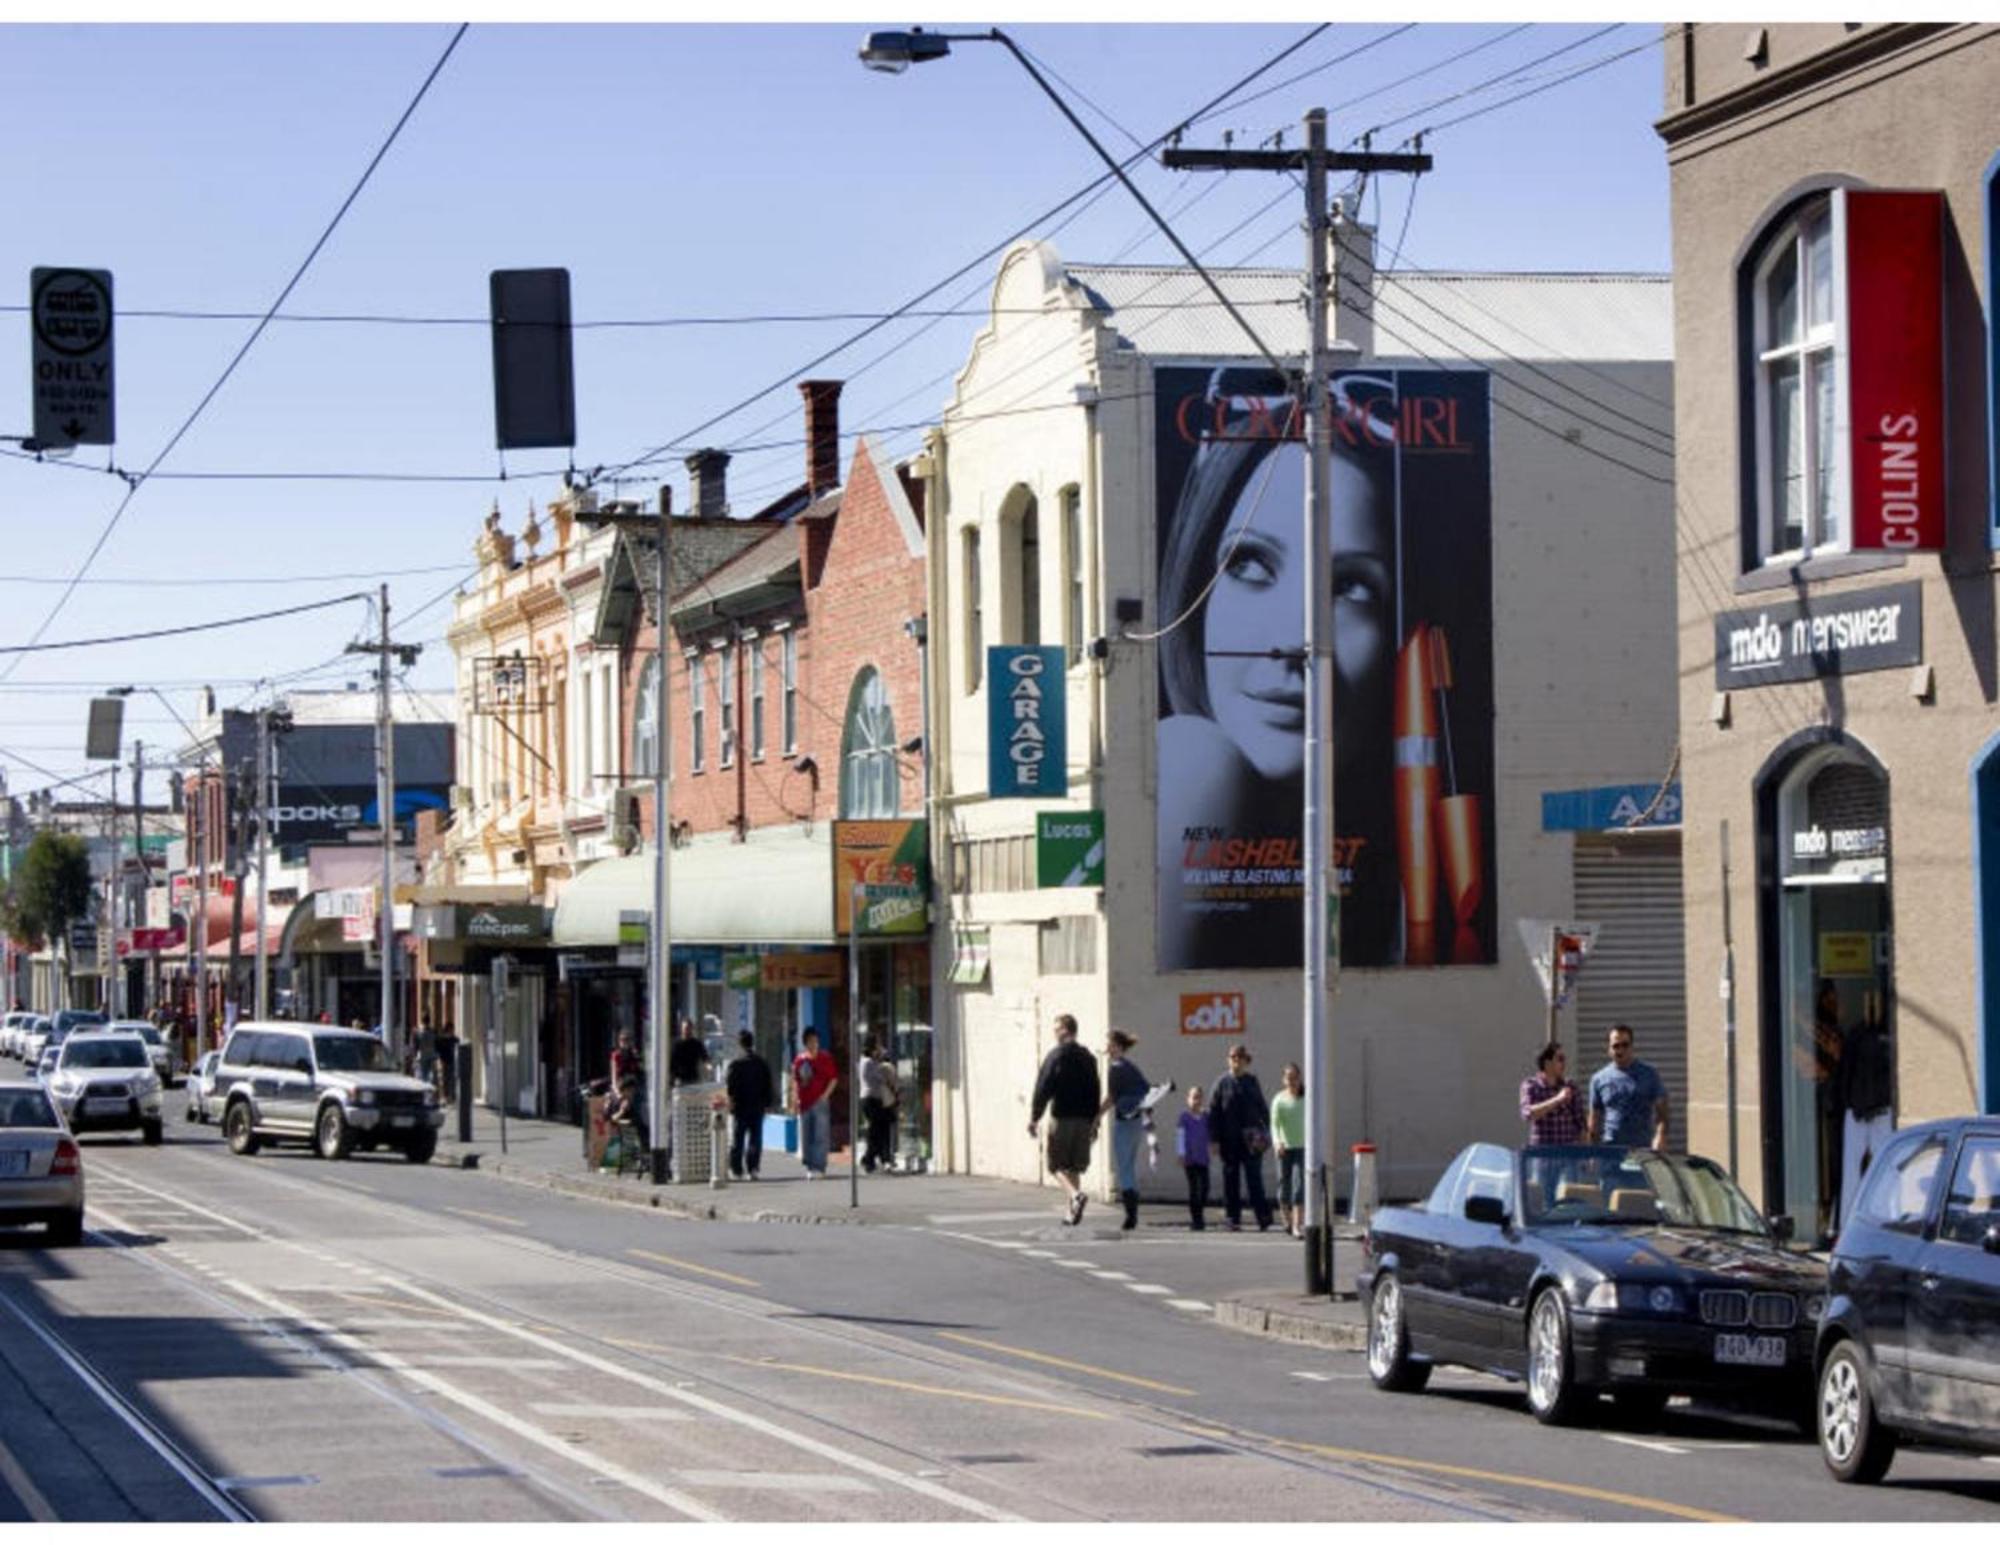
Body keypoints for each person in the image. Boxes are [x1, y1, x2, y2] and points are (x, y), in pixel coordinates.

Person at [1156, 370, 1415, 971]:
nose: (1294, 641)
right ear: (1197, 586)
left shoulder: (1399, 875)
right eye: (1250, 565)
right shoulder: (1194, 760)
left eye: (1350, 586)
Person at [1028, 1013, 1101, 1225]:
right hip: (1084, 1120)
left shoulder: (1056, 1056)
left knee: (1056, 1165)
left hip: (1062, 1118)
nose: (1054, 1033)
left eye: (1056, 1029)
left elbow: (1044, 1087)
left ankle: (1075, 1196)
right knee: (1074, 1167)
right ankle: (1072, 1212)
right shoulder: (1088, 1058)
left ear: (1064, 1031)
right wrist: (1094, 1120)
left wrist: (1035, 1117)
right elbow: (1095, 1090)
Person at [1208, 1043, 1274, 1231]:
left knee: (1254, 1180)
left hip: (1252, 1139)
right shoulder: (1221, 1083)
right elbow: (1214, 1113)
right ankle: (1232, 1218)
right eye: (1233, 1057)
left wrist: (1268, 1132)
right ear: (1228, 1060)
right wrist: (1214, 1139)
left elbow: (1262, 1108)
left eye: (1240, 1058)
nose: (1236, 1061)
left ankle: (1263, 1217)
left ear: (1246, 1061)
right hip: (1229, 1140)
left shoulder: (1252, 1081)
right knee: (1231, 1181)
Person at [1587, 1023, 1670, 1150]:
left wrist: (1660, 1136)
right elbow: (1594, 1119)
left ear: (1632, 1047)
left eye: (1625, 1045)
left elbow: (1662, 1112)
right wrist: (1592, 1152)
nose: (1620, 1050)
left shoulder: (1649, 1074)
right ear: (1609, 1049)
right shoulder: (1598, 1079)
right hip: (1611, 1150)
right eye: (1616, 1046)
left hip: (1642, 1149)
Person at [1099, 1030, 1151, 1231]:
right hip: (1136, 1121)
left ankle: (1131, 1216)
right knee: (1129, 1165)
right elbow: (1146, 1089)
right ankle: (1132, 1213)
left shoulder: (1116, 1068)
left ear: (1118, 1047)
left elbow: (1111, 1097)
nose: (1108, 1048)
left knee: (1124, 1168)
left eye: (1110, 1044)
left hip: (1123, 1120)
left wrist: (1097, 1116)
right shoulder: (1131, 1067)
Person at [725, 1029, 773, 1180]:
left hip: (740, 1107)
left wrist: (731, 1102)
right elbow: (768, 1085)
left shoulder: (736, 1064)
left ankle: (736, 1169)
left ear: (740, 1044)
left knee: (738, 1139)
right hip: (757, 1106)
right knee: (755, 1139)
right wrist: (767, 1103)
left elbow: (730, 1086)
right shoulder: (761, 1063)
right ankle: (753, 1168)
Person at [791, 1028, 838, 1178]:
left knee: (820, 1134)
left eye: (816, 1041)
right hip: (804, 1102)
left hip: (820, 1101)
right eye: (811, 1042)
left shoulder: (825, 1058)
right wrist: (794, 1100)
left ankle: (820, 1166)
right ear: (805, 1043)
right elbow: (795, 1081)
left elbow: (833, 1078)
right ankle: (810, 1166)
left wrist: (825, 1095)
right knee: (806, 1135)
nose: (814, 1044)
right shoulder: (800, 1060)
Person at [1519, 1041, 1584, 1146]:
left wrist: (1585, 1154)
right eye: (1560, 1059)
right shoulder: (1531, 1086)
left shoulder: (1570, 1086)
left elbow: (1580, 1123)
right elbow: (1528, 1113)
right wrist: (1557, 1100)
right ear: (1547, 1063)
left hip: (1567, 1154)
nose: (1564, 1063)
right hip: (1542, 1154)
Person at [1271, 1061, 1308, 1238]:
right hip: (1284, 1149)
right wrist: (1277, 1142)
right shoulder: (1279, 1100)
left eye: (1295, 1077)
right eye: (1288, 1078)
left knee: (1299, 1186)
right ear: (1283, 1080)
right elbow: (1274, 1124)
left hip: (1302, 1148)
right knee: (1283, 1187)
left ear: (1300, 1078)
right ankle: (1286, 1219)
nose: (1292, 1081)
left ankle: (1297, 1225)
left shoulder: (1307, 1098)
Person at [858, 1040, 900, 1175]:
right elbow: (879, 1077)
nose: (879, 1050)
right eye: (877, 1047)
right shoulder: (867, 1062)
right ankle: (869, 1159)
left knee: (880, 1129)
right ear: (871, 1049)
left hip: (876, 1099)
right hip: (871, 1100)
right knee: (876, 1130)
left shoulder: (871, 1061)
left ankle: (878, 1159)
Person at [1177, 1085, 1212, 1230]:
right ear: (1188, 1099)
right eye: (1193, 1097)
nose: (1196, 1100)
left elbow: (1210, 1134)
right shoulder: (1184, 1118)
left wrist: (1213, 1145)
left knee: (1205, 1188)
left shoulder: (1206, 1117)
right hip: (1190, 1159)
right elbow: (1180, 1136)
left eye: (1198, 1097)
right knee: (1194, 1189)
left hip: (1202, 1157)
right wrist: (1181, 1153)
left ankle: (1200, 1212)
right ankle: (1197, 1219)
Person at [669, 1015, 707, 1087]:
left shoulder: (696, 1044)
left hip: (693, 1078)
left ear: (692, 1029)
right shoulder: (677, 1044)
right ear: (681, 1029)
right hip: (680, 1079)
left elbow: (704, 1056)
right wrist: (673, 1078)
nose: (687, 1030)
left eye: (689, 1028)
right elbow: (672, 1063)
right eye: (685, 1028)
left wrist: (708, 1066)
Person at [415, 1018, 439, 1093]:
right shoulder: (433, 1031)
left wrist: (415, 1054)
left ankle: (423, 1091)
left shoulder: (418, 1032)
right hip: (432, 1055)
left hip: (422, 1056)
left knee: (423, 1075)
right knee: (432, 1075)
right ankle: (430, 1092)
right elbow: (436, 1043)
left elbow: (416, 1045)